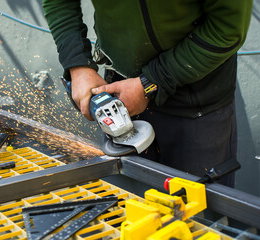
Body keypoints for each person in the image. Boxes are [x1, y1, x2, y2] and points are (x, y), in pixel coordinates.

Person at [42, 0, 253, 187]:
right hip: (121, 92)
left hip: (196, 101)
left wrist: (151, 83)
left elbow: (227, 27)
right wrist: (78, 65)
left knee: (199, 220)